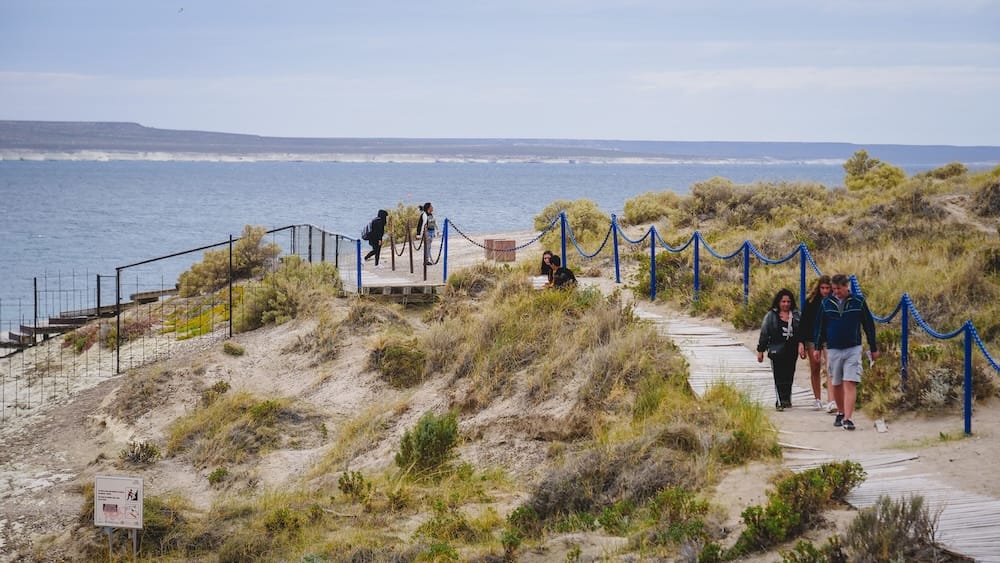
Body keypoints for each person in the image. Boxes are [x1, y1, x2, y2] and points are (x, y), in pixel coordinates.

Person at [812, 274, 880, 431]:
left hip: (853, 347)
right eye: (833, 289)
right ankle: (841, 412)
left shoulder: (858, 302)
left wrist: (873, 347)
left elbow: (868, 325)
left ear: (846, 287)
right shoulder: (826, 303)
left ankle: (848, 418)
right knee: (836, 382)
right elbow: (819, 326)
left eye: (838, 289)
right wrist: (817, 347)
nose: (836, 292)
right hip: (833, 347)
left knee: (850, 381)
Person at [756, 288, 803, 411]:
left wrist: (802, 345)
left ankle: (787, 398)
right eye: (783, 301)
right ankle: (779, 400)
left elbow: (802, 332)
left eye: (788, 302)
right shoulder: (771, 316)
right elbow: (765, 333)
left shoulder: (797, 315)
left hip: (791, 350)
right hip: (776, 349)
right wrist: (760, 350)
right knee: (778, 375)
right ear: (778, 302)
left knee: (789, 373)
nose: (786, 304)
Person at [799, 275, 835, 411]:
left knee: (829, 367)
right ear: (818, 288)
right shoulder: (811, 301)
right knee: (815, 368)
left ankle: (831, 400)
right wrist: (801, 342)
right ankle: (817, 398)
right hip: (811, 337)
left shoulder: (834, 302)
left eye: (827, 288)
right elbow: (803, 322)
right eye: (823, 288)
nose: (825, 291)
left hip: (828, 338)